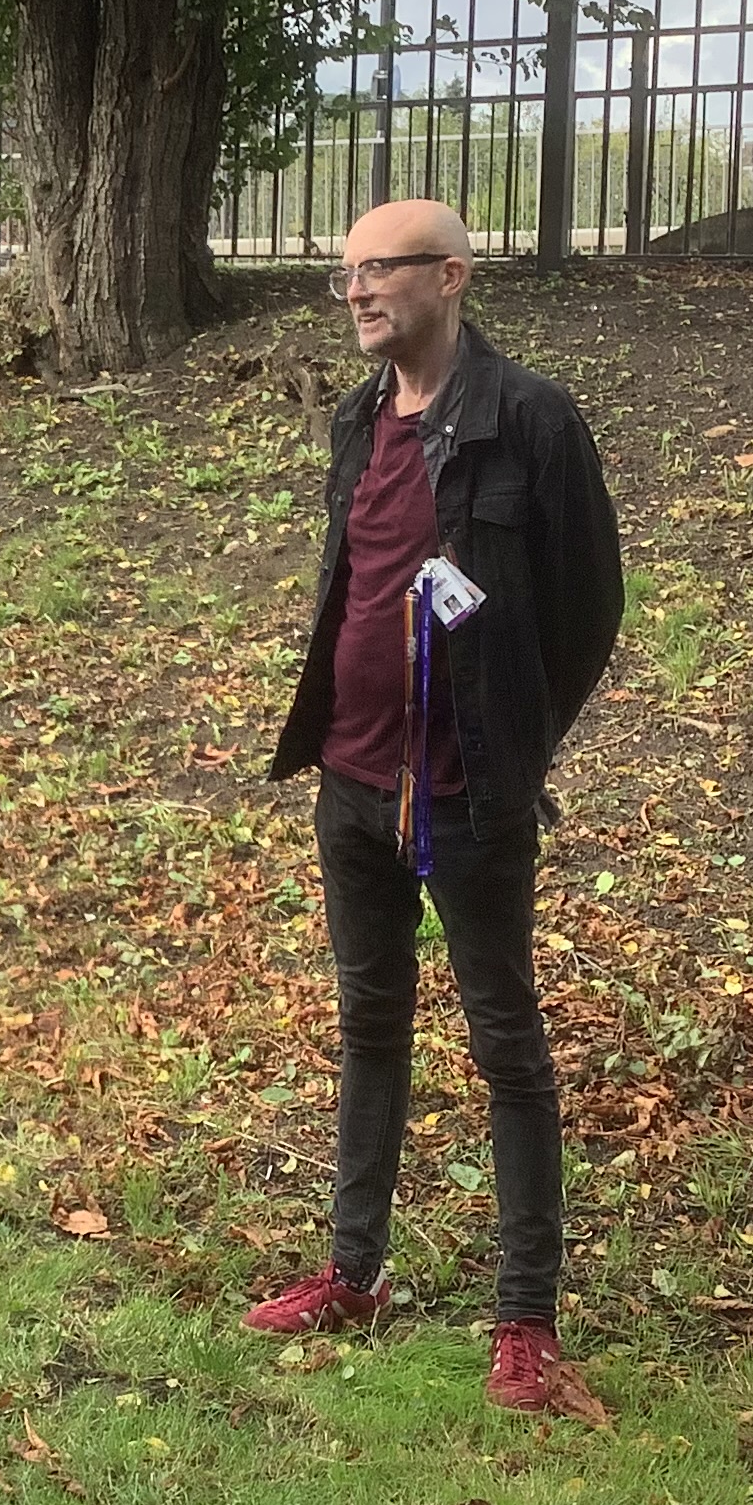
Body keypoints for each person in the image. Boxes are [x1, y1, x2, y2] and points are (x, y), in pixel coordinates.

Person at [251, 200, 622, 1412]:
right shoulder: (358, 419)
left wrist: (511, 741)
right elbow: (350, 582)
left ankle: (527, 1321)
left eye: (380, 269)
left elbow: (589, 612)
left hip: (467, 800)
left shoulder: (531, 421)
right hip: (353, 783)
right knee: (372, 1026)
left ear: (452, 277)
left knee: (507, 1046)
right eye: (345, 273)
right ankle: (355, 1272)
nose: (357, 291)